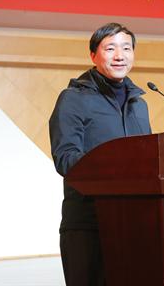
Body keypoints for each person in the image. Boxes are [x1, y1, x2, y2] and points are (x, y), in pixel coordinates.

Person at [49, 22, 152, 286]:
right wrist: (113, 167)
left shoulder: (139, 105)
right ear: (93, 55)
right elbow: (65, 158)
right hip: (89, 224)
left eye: (126, 48)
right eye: (110, 48)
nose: (120, 55)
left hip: (134, 224)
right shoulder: (73, 99)